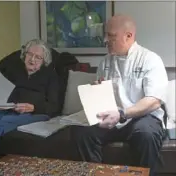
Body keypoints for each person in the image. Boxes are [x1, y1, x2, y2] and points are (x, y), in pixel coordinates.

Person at [71, 14, 168, 176]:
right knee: (81, 132)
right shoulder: (105, 62)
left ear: (129, 36)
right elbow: (103, 97)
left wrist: (122, 114)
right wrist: (97, 92)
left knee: (146, 134)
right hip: (112, 117)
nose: (105, 40)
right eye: (106, 35)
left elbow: (154, 101)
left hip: (142, 118)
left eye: (111, 36)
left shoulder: (150, 59)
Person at [0, 39, 60, 170]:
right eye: (29, 54)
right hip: (8, 108)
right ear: (24, 55)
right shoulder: (13, 69)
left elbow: (54, 106)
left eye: (38, 57)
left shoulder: (51, 76)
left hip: (34, 113)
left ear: (44, 61)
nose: (32, 59)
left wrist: (34, 107)